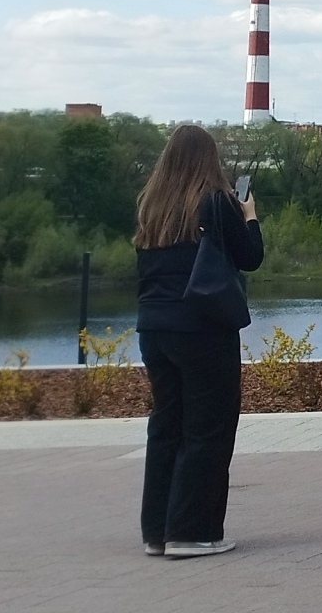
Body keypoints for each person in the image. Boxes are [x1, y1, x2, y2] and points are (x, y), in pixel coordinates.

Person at [133, 123, 263, 559]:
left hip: (154, 328)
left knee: (166, 426)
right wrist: (250, 216)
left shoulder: (152, 207)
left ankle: (157, 530)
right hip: (203, 327)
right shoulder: (216, 201)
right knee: (208, 427)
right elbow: (251, 258)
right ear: (209, 159)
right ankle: (192, 531)